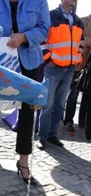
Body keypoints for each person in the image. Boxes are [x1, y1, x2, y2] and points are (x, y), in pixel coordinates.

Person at [0, 0, 50, 185]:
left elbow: (44, 28)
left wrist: (24, 37)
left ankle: (23, 162)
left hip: (29, 62)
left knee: (27, 112)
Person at [38, 0, 84, 149]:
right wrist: (48, 59)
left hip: (69, 69)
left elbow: (80, 43)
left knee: (59, 105)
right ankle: (42, 136)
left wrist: (79, 59)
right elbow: (41, 39)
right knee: (48, 104)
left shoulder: (77, 21)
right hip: (53, 68)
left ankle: (52, 134)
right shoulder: (51, 16)